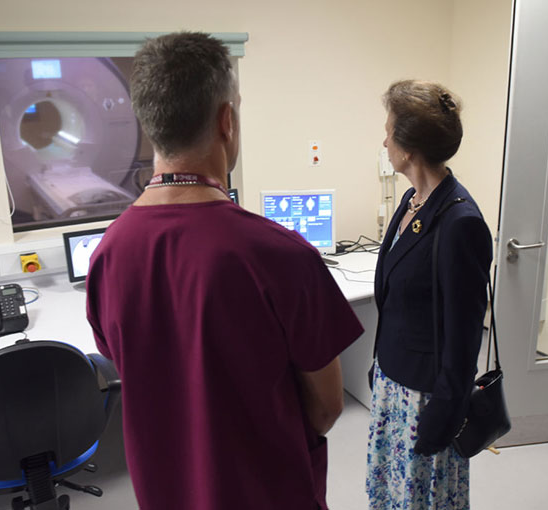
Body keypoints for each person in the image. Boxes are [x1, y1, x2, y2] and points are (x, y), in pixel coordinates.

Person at [85, 32, 364, 510]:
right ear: (227, 121)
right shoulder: (281, 254)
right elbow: (326, 408)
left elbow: (133, 364)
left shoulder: (108, 254)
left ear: (150, 124)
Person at [366, 80, 493, 509]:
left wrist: (445, 410)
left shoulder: (459, 223)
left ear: (408, 147)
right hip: (393, 385)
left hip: (427, 398)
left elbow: (465, 334)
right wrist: (379, 364)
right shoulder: (413, 201)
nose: (383, 140)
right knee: (391, 497)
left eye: (388, 131)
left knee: (423, 500)